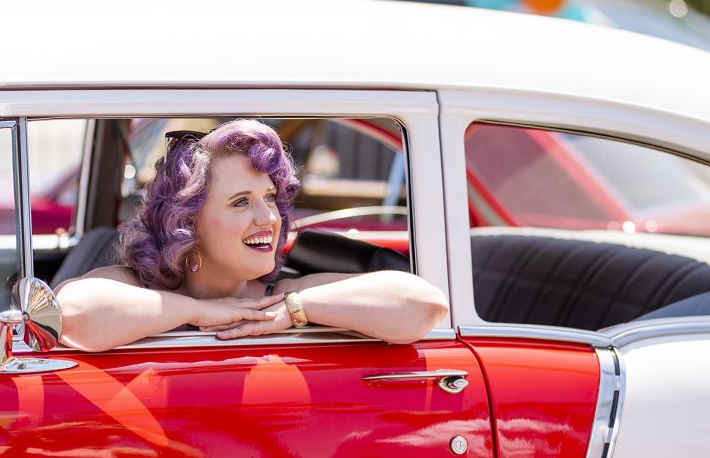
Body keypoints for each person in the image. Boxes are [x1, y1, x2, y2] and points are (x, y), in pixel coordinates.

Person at [55, 119, 448, 352]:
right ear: (186, 224)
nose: (269, 218)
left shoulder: (284, 294)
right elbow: (69, 315)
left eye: (270, 198)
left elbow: (426, 305)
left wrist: (296, 311)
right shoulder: (136, 287)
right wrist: (196, 312)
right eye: (241, 202)